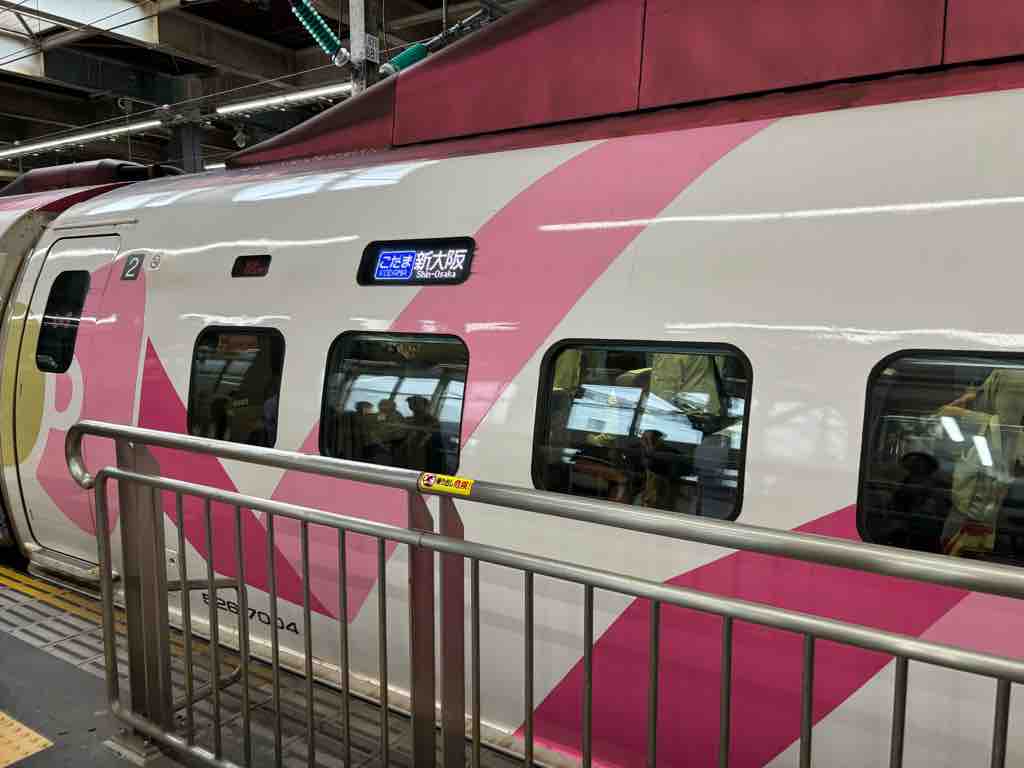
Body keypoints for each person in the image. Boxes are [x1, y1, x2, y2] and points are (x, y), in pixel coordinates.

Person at [938, 369, 1024, 557]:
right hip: (978, 510)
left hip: (974, 511)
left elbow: (1006, 428)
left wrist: (962, 410)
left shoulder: (1012, 378)